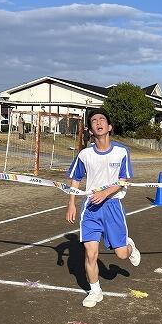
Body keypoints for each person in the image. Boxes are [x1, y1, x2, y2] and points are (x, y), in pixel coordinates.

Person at [65, 108, 141, 308]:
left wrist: (106, 193)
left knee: (121, 254)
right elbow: (76, 179)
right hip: (90, 208)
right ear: (90, 130)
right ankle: (95, 291)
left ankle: (130, 246)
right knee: (90, 253)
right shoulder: (85, 154)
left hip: (113, 207)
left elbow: (124, 180)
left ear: (109, 127)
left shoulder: (121, 152)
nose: (98, 123)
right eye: (94, 121)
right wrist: (71, 203)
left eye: (102, 119)